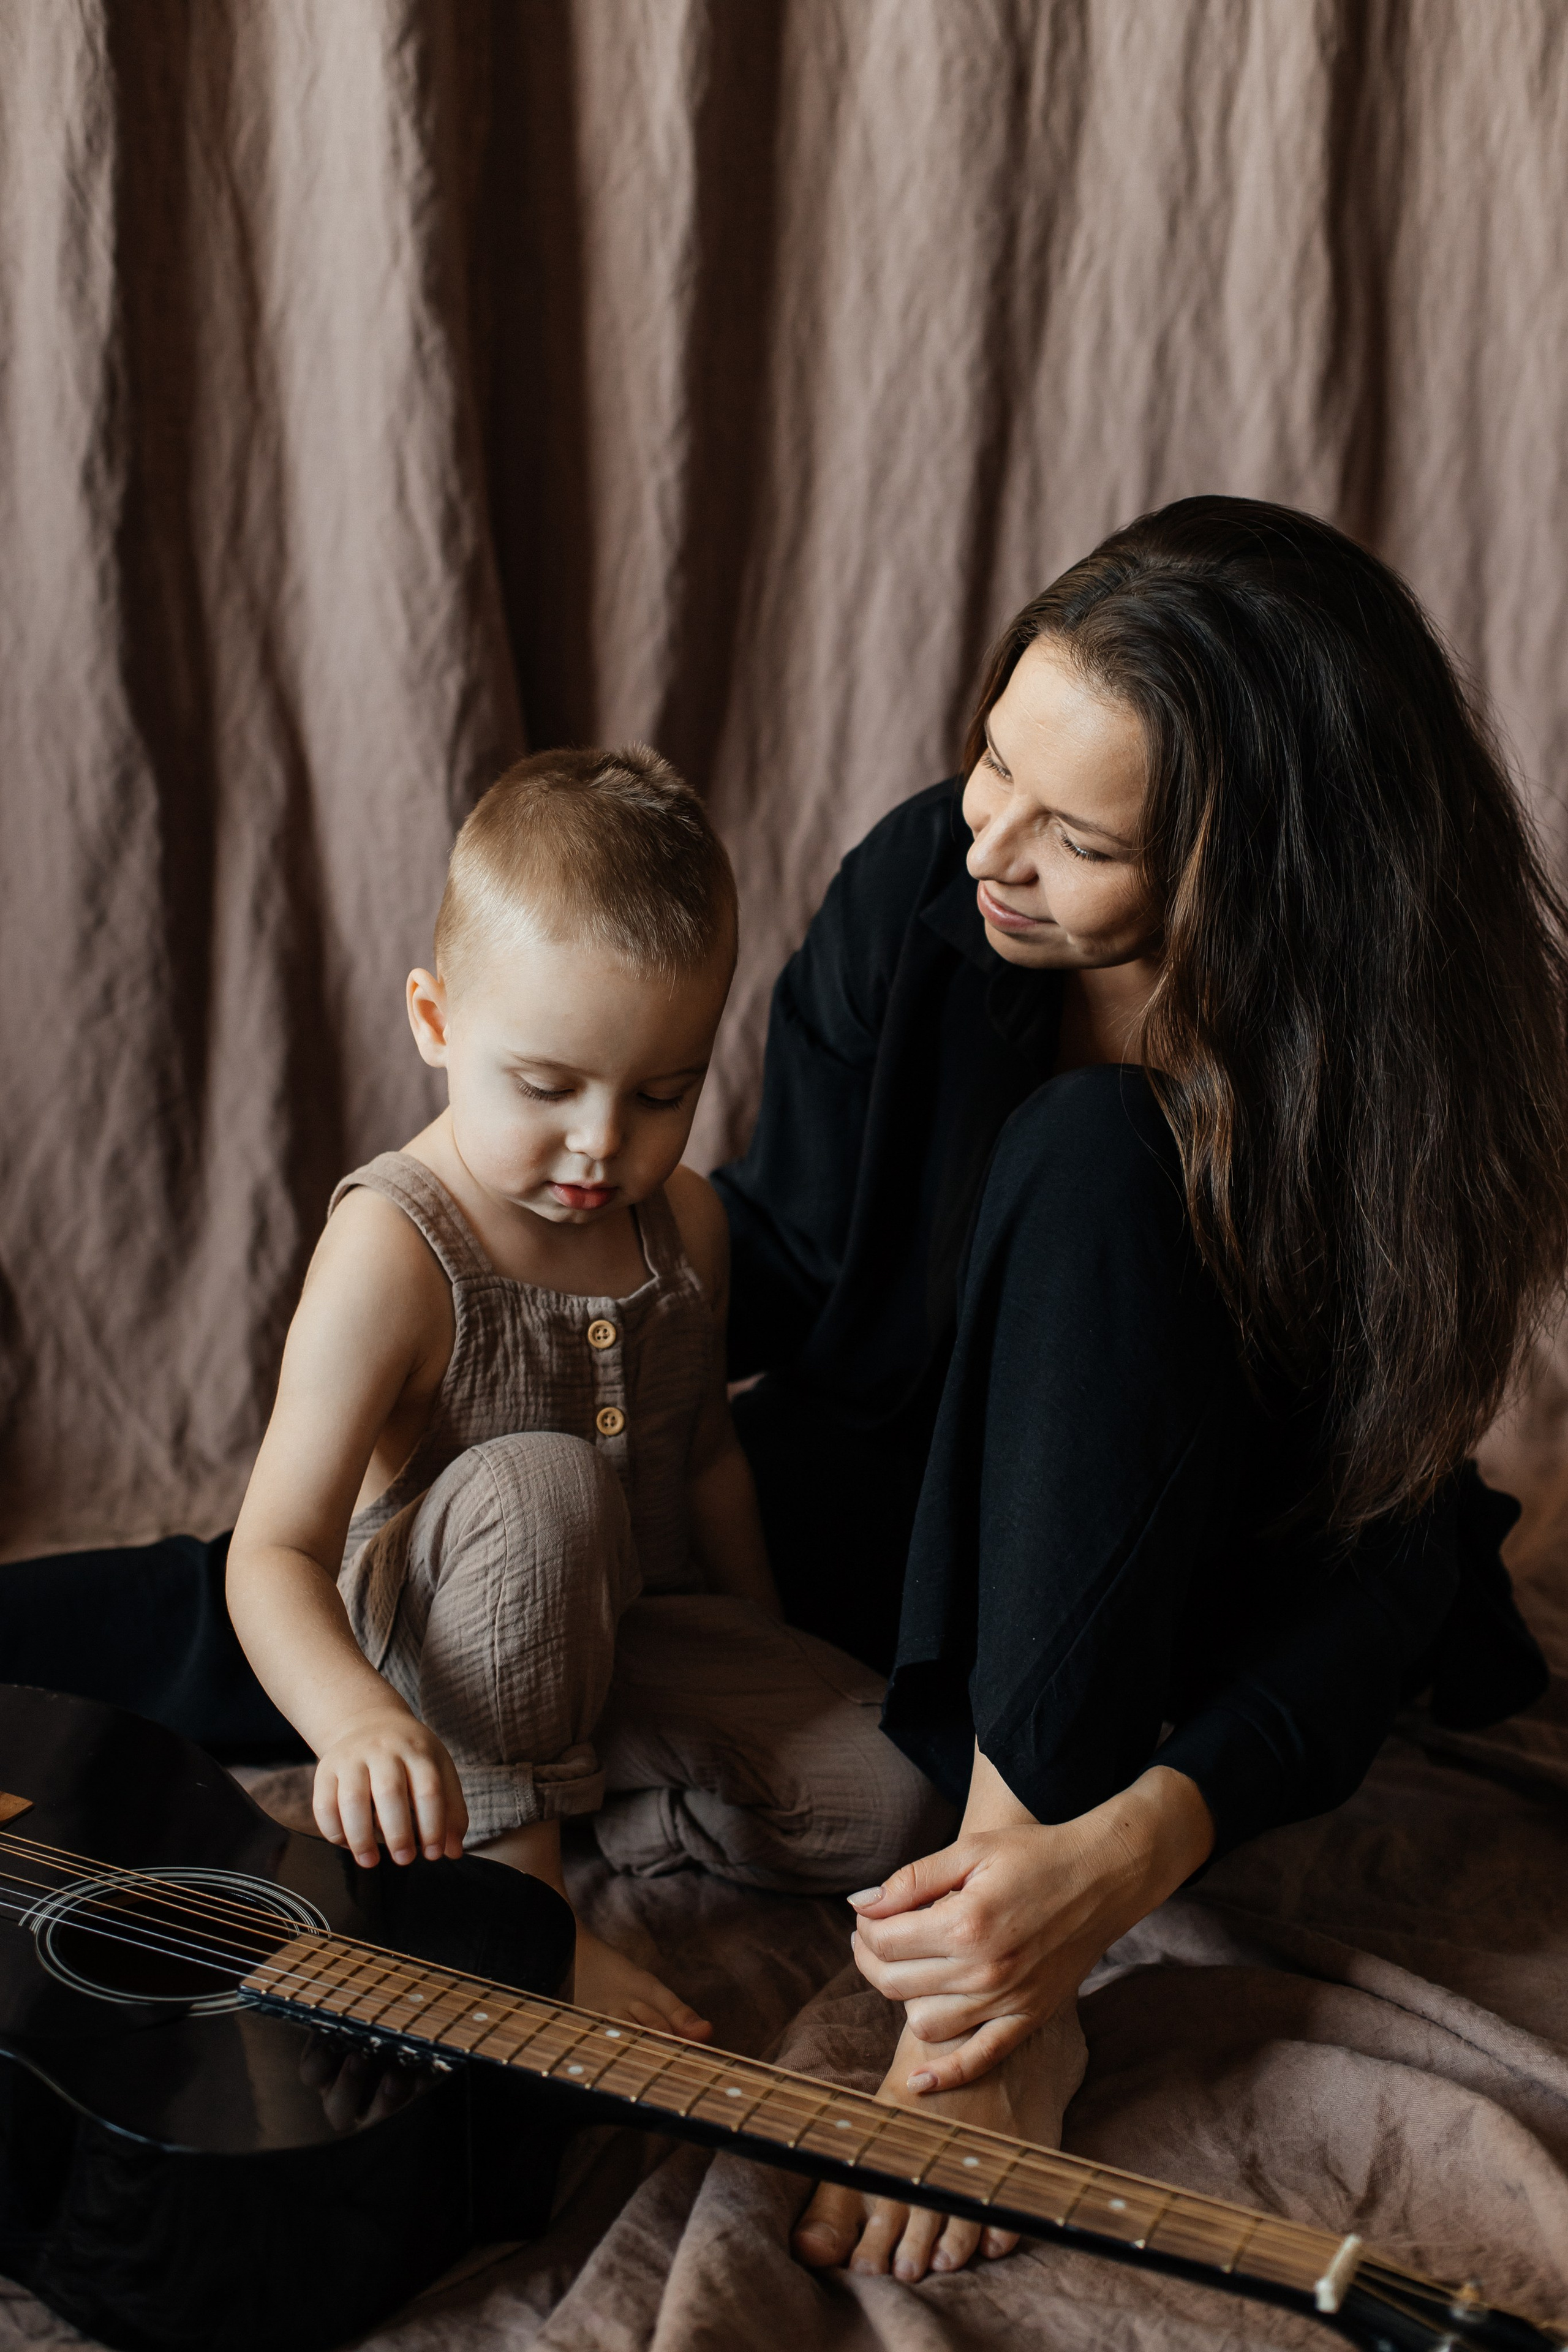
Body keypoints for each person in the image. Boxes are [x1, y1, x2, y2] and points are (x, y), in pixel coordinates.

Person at [714, 496, 1566, 2281]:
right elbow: (781, 1277)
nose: (991, 844)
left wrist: (1115, 1862)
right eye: (991, 762)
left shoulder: (1387, 1074)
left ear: (1246, 876)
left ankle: (1016, 2011)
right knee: (279, 1584)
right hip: (890, 1544)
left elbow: (1385, 1558)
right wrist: (496, 1285)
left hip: (1180, 1631)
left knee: (1106, 1151)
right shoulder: (923, 895)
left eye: (1075, 835)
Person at [226, 746, 945, 2040]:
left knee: (899, 1792)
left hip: (626, 1639)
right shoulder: (396, 1249)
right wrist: (355, 1726)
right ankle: (523, 1919)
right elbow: (271, 1551)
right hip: (437, 1656)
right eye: (546, 1088)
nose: (601, 1144)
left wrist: (760, 1649)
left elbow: (709, 1456)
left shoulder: (684, 1225)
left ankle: (586, 1806)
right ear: (437, 1021)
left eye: (663, 1094)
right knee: (544, 1478)